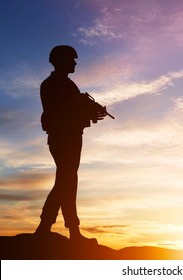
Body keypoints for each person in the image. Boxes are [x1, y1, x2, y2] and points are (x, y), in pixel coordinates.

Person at [35, 45, 107, 242]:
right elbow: (63, 113)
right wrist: (88, 111)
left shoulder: (61, 84)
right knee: (65, 180)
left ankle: (72, 230)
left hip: (68, 136)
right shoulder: (57, 84)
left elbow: (70, 111)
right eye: (71, 59)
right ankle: (45, 227)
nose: (75, 63)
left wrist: (90, 112)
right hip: (65, 137)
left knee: (69, 180)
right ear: (61, 61)